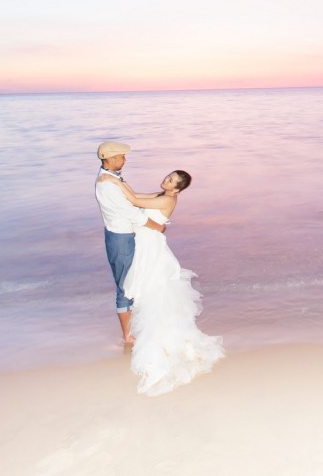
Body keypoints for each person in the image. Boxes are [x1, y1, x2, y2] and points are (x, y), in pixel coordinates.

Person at [116, 169, 225, 396]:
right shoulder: (160, 194)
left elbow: (134, 200)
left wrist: (112, 180)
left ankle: (148, 333)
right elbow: (134, 195)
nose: (166, 180)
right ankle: (136, 328)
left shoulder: (168, 198)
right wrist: (119, 181)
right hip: (145, 241)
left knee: (151, 285)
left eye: (171, 181)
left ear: (177, 189)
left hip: (150, 244)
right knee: (148, 285)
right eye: (168, 176)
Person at [95, 141, 167, 344]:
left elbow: (132, 199)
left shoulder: (113, 179)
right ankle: (128, 336)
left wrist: (162, 196)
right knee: (125, 286)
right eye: (121, 157)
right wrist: (157, 226)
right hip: (120, 238)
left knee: (133, 281)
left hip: (124, 235)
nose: (124, 160)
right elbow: (130, 212)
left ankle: (133, 328)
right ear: (108, 158)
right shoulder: (107, 184)